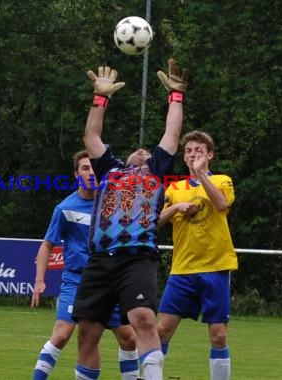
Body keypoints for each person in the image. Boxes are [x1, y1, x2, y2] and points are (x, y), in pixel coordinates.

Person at [71, 59, 188, 380]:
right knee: (88, 333)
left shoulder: (156, 171)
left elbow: (172, 133)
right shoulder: (109, 169)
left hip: (136, 259)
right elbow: (91, 135)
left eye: (147, 151)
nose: (142, 152)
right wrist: (100, 98)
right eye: (137, 151)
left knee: (143, 320)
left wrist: (176, 96)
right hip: (99, 261)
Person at [31, 150, 139, 380]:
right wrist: (40, 280)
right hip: (77, 281)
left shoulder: (112, 204)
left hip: (109, 282)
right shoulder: (65, 208)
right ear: (76, 174)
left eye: (94, 168)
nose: (90, 172)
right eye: (85, 168)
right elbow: (47, 246)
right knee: (62, 335)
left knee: (129, 338)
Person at [156, 130, 237, 380]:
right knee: (161, 332)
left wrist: (202, 174)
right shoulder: (174, 188)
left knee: (218, 335)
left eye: (199, 151)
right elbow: (153, 223)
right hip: (182, 270)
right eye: (189, 151)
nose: (193, 155)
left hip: (215, 267)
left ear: (209, 155)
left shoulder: (222, 180)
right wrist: (176, 208)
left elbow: (222, 204)